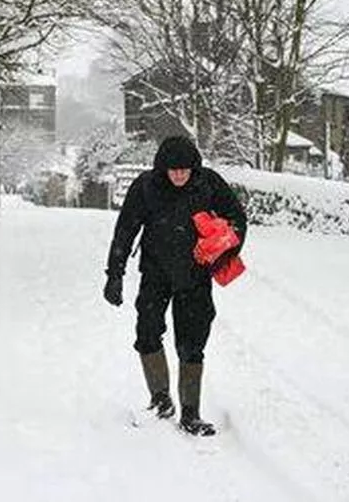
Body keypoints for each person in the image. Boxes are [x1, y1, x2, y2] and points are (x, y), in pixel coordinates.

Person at [102, 135, 247, 436]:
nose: (180, 175)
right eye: (173, 169)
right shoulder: (146, 187)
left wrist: (226, 247)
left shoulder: (208, 184)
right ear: (162, 168)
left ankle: (191, 413)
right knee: (147, 333)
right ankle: (160, 399)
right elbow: (126, 230)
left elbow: (237, 219)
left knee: (192, 344)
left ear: (194, 167)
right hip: (155, 274)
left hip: (195, 277)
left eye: (185, 169)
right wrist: (114, 274)